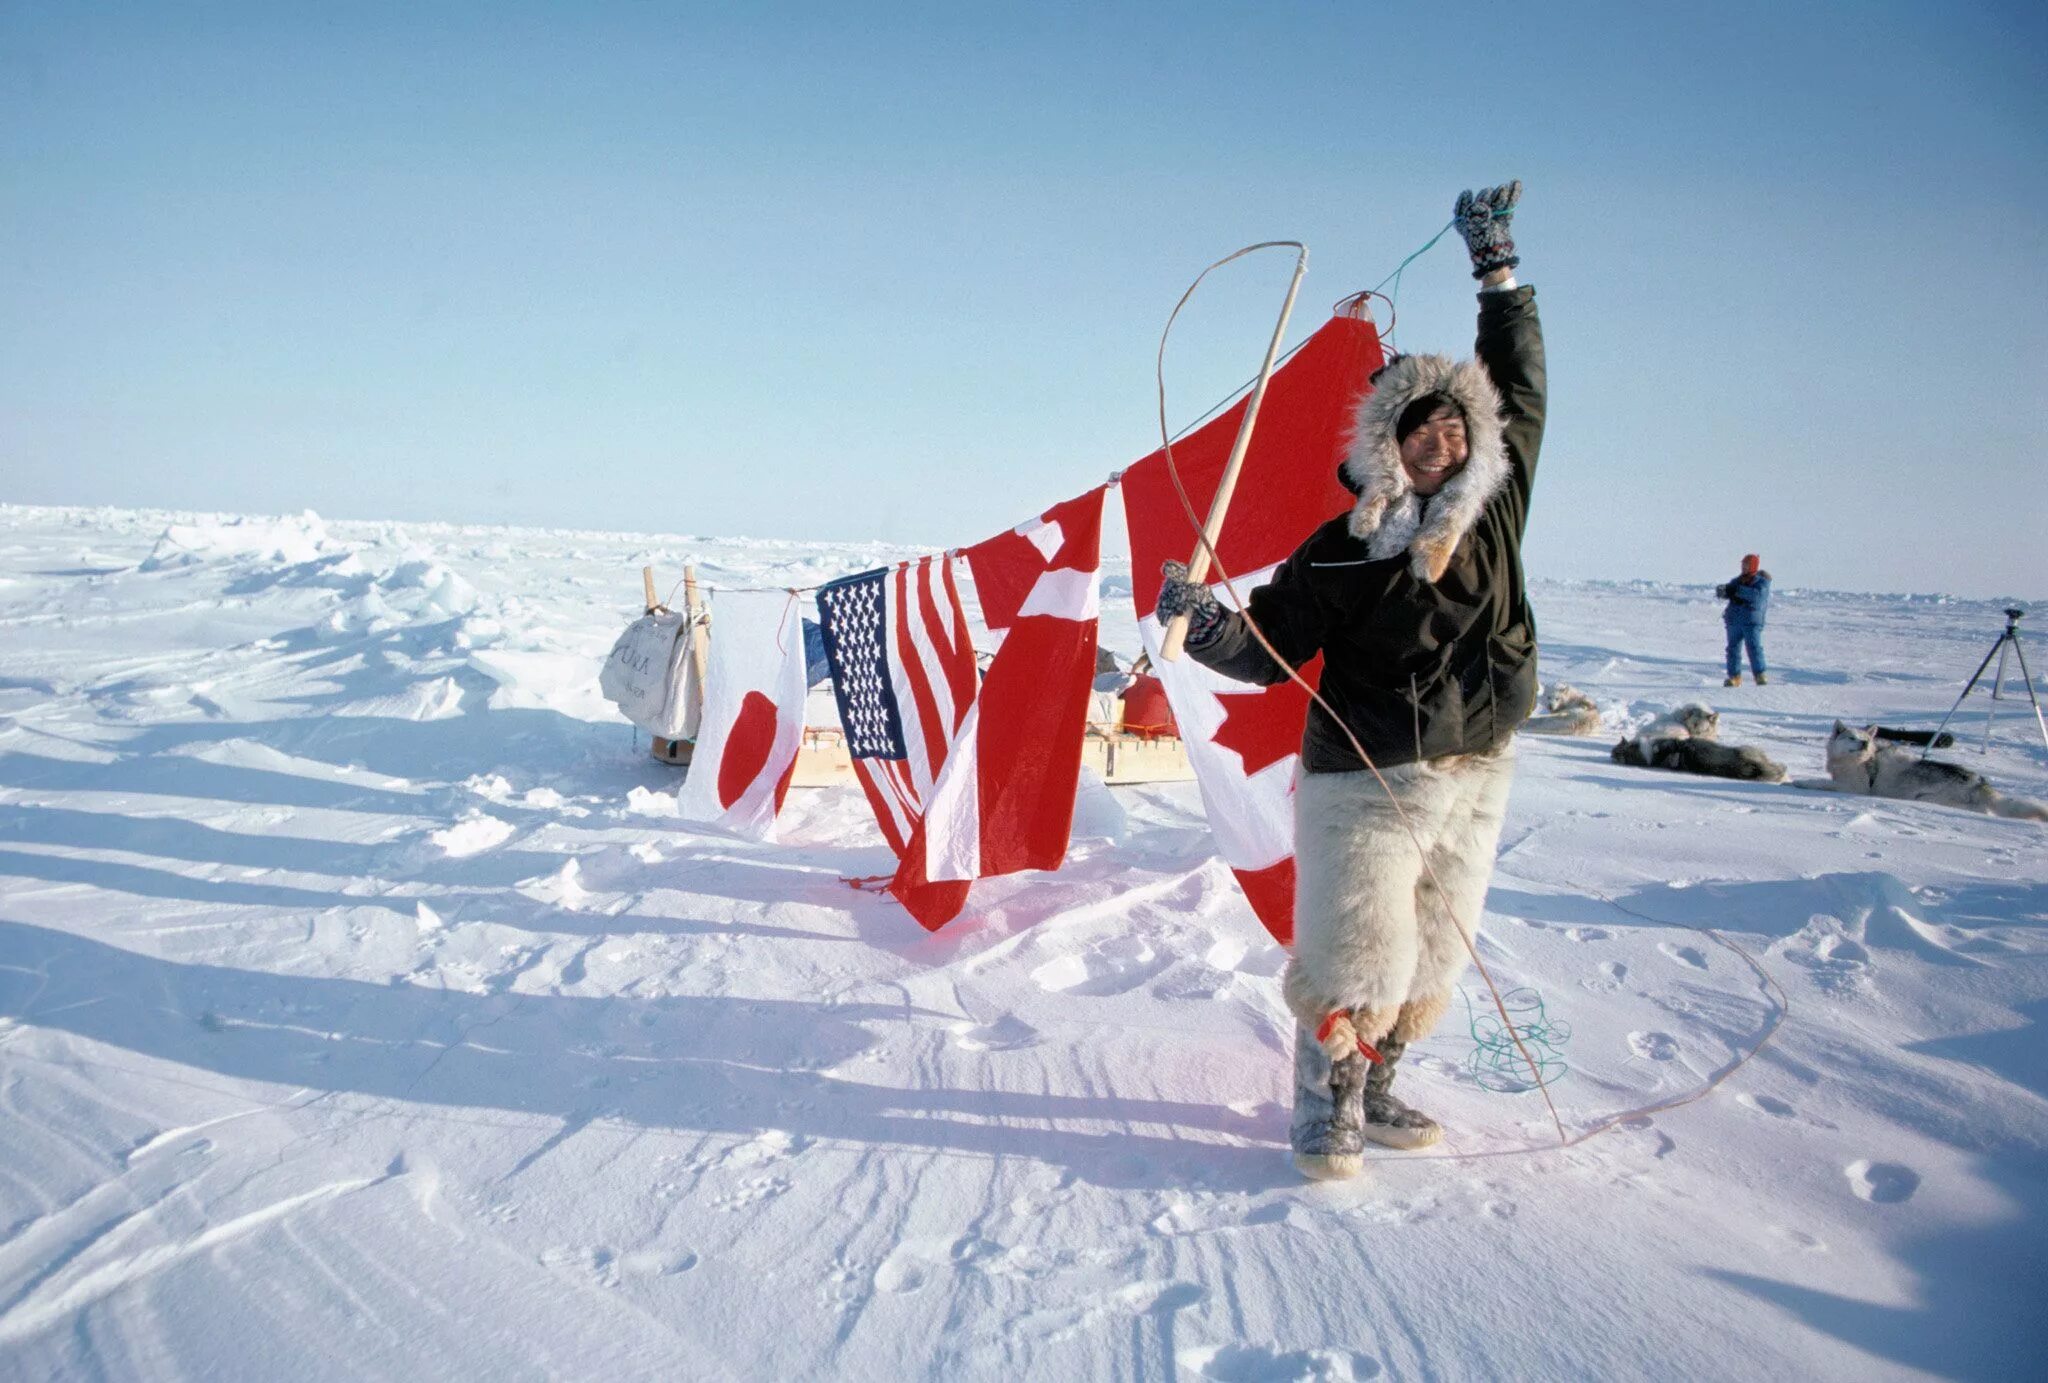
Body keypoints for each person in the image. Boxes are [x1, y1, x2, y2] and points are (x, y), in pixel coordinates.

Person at [1157, 182, 1544, 1180]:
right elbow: (1267, 647)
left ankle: (1376, 1085)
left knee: (1429, 953)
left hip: (1474, 768)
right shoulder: (1337, 548)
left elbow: (1518, 383)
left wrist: (1496, 272)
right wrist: (1204, 623)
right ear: (1386, 439)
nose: (1439, 442)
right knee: (1355, 953)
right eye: (1418, 429)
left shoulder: (1493, 517)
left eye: (1454, 429)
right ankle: (1321, 1102)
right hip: (1362, 778)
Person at [1716, 556, 1771, 686]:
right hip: (1734, 620)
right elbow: (1730, 590)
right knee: (1732, 649)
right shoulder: (1737, 581)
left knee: (1754, 647)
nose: (1743, 567)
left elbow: (1756, 596)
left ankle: (1760, 675)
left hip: (1751, 621)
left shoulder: (1761, 583)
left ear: (1753, 566)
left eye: (1746, 565)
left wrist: (1737, 591)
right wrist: (1723, 591)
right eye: (1743, 565)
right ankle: (1734, 677)